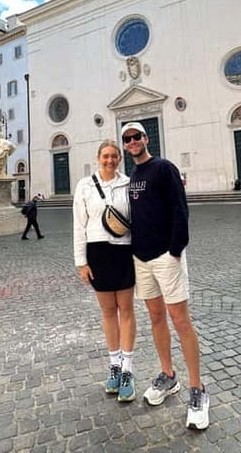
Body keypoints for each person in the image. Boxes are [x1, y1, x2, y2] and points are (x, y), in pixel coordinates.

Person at [121, 122, 209, 430]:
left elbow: (180, 209)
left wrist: (176, 249)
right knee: (156, 317)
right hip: (141, 258)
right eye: (127, 139)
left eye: (136, 137)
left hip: (165, 256)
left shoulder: (164, 168)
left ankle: (197, 389)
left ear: (146, 139)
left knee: (180, 319)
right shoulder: (132, 176)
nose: (132, 142)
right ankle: (168, 375)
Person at [73, 140, 136, 401]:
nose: (110, 160)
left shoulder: (128, 183)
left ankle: (128, 372)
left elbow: (138, 218)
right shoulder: (84, 185)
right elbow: (79, 224)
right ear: (98, 158)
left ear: (119, 159)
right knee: (108, 311)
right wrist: (81, 261)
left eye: (114, 156)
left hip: (123, 251)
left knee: (127, 311)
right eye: (105, 156)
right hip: (97, 252)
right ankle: (114, 366)